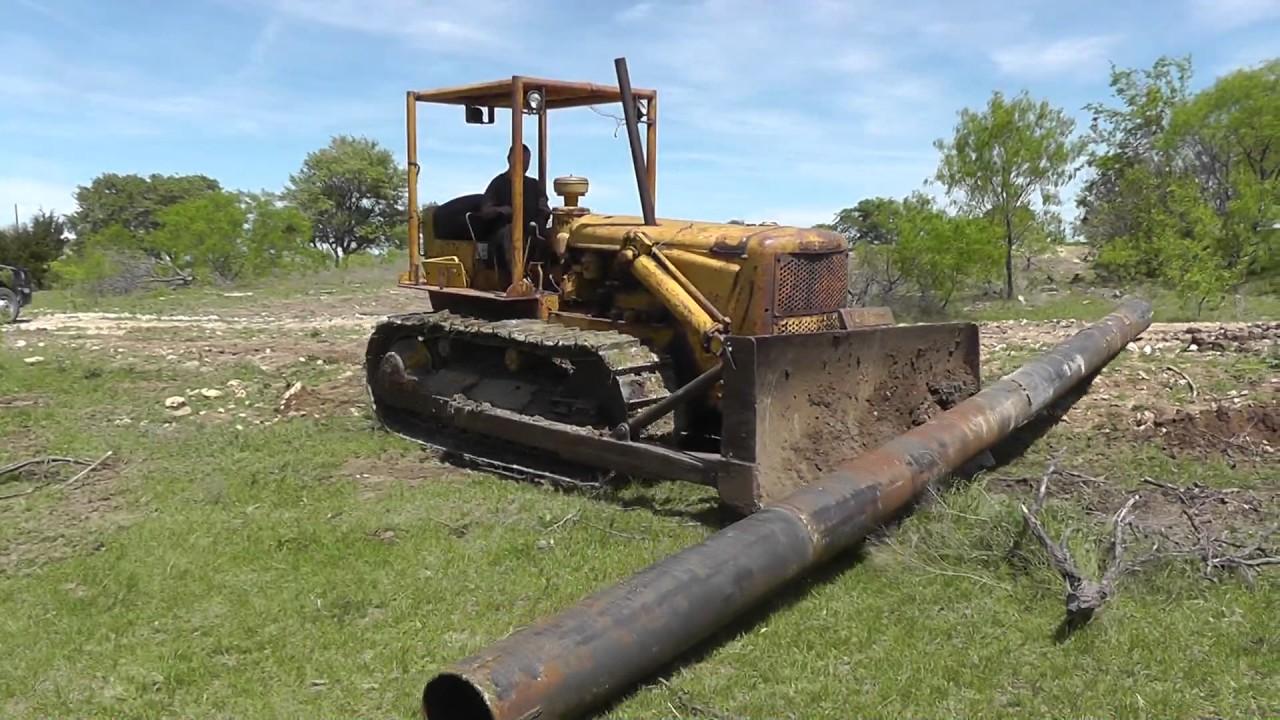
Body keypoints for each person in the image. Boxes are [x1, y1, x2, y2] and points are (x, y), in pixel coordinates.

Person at [478, 143, 551, 285]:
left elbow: (544, 207)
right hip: (502, 233)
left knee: (552, 234)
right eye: (521, 161)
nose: (524, 165)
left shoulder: (534, 185)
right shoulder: (498, 184)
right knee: (511, 231)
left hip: (530, 230)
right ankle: (516, 280)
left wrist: (545, 212)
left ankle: (551, 279)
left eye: (527, 162)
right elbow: (485, 211)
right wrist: (501, 210)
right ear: (509, 160)